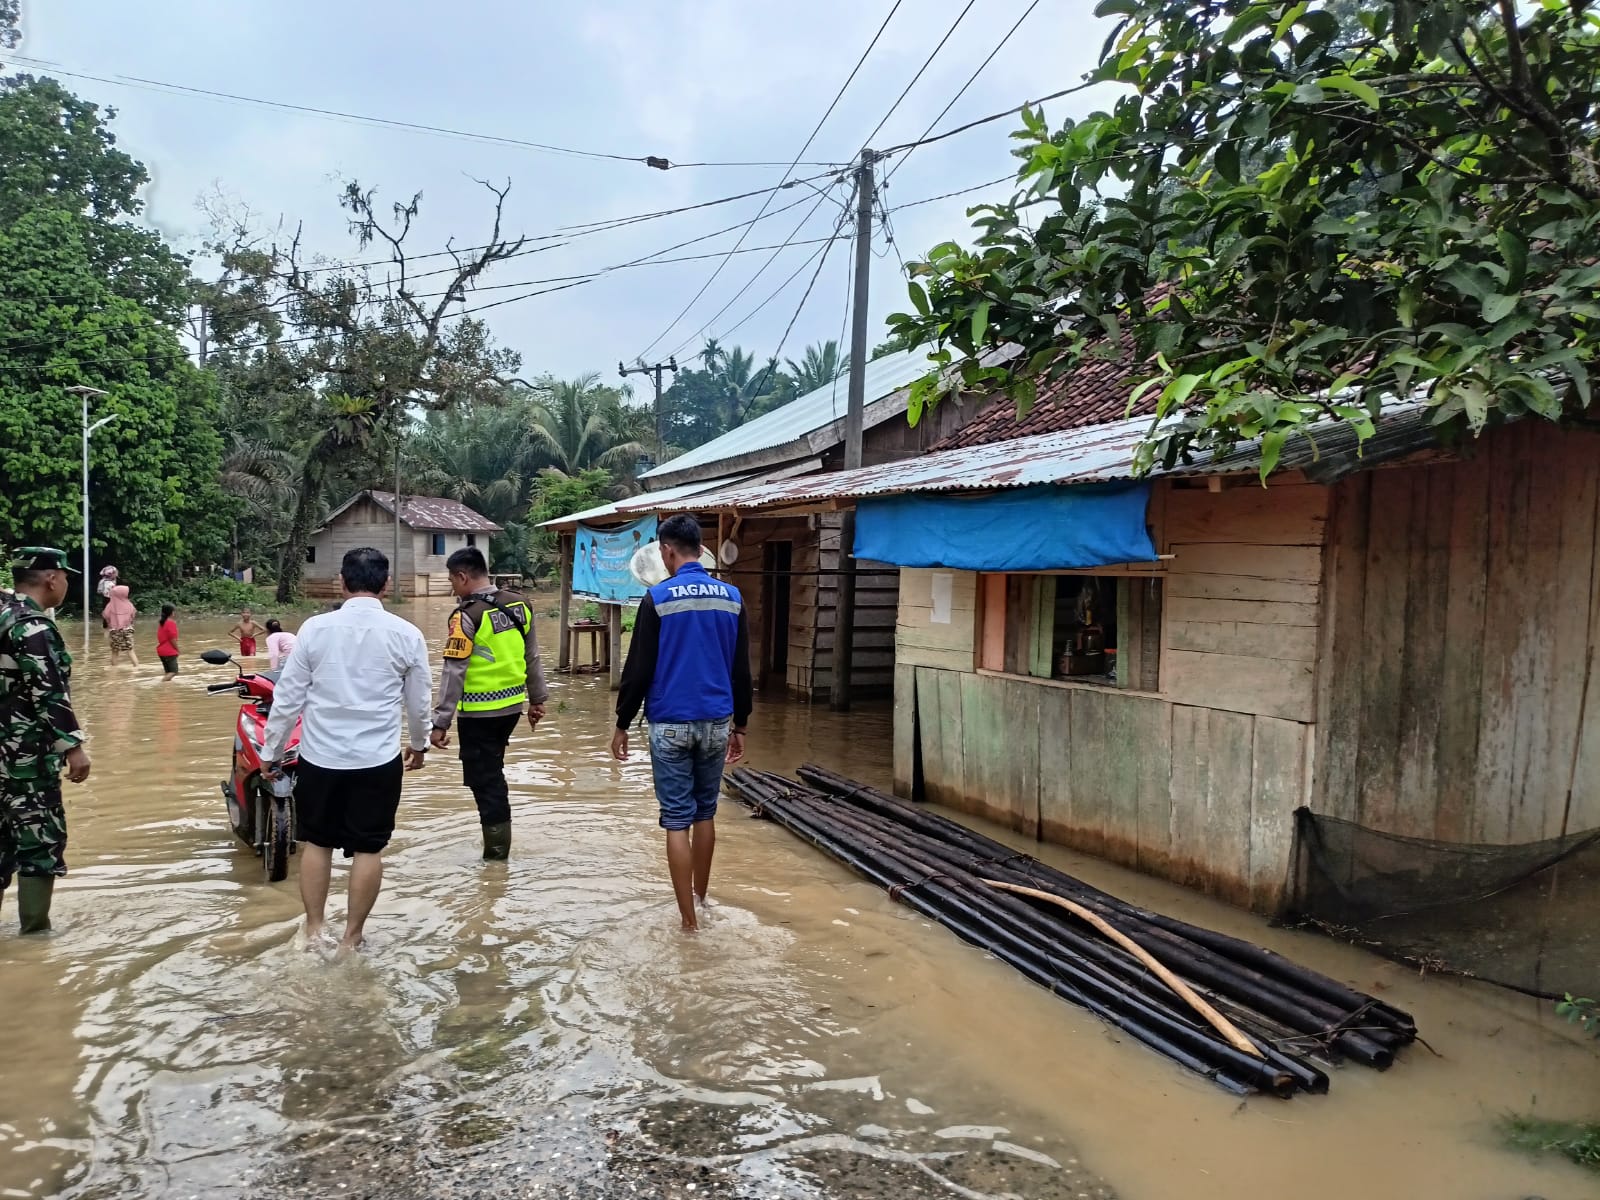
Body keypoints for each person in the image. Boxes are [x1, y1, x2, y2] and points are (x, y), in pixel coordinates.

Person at [261, 547, 431, 957]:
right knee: (369, 848)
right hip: (377, 761)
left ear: (341, 581)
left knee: (317, 844)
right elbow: (419, 700)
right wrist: (419, 744)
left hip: (321, 759)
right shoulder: (407, 634)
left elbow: (287, 699)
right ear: (386, 585)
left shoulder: (315, 630)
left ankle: (314, 930)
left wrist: (271, 751)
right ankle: (351, 939)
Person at [611, 515, 751, 933]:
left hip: (670, 723)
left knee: (676, 819)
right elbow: (741, 669)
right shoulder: (732, 597)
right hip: (715, 722)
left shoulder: (658, 598)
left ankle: (688, 924)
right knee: (705, 813)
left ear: (667, 550)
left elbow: (638, 670)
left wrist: (621, 723)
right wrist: (740, 726)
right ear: (701, 550)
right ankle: (701, 902)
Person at [429, 547, 548, 860]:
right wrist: (538, 699)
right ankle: (497, 850)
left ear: (463, 576)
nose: (453, 587)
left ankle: (496, 859)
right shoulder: (521, 603)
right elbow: (532, 655)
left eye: (453, 580)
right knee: (491, 775)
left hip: (480, 713)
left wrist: (440, 722)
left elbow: (453, 671)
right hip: (512, 708)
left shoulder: (465, 616)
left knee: (486, 782)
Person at [0, 548, 92, 934]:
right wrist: (73, 747)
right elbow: (49, 693)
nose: (67, 583)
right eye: (66, 576)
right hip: (25, 760)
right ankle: (35, 938)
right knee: (39, 842)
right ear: (52, 578)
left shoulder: (3, 614)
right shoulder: (33, 627)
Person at [101, 583, 138, 667]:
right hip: (128, 629)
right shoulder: (129, 604)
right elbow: (133, 615)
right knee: (130, 650)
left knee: (114, 651)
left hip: (115, 631)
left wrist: (110, 623)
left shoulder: (110, 605)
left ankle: (114, 671)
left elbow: (105, 615)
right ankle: (136, 669)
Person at [156, 605, 180, 681]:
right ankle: (161, 684)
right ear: (171, 612)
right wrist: (177, 649)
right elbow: (172, 639)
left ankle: (166, 690)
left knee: (168, 672)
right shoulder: (170, 623)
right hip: (169, 652)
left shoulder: (162, 623)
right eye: (173, 611)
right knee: (174, 671)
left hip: (162, 651)